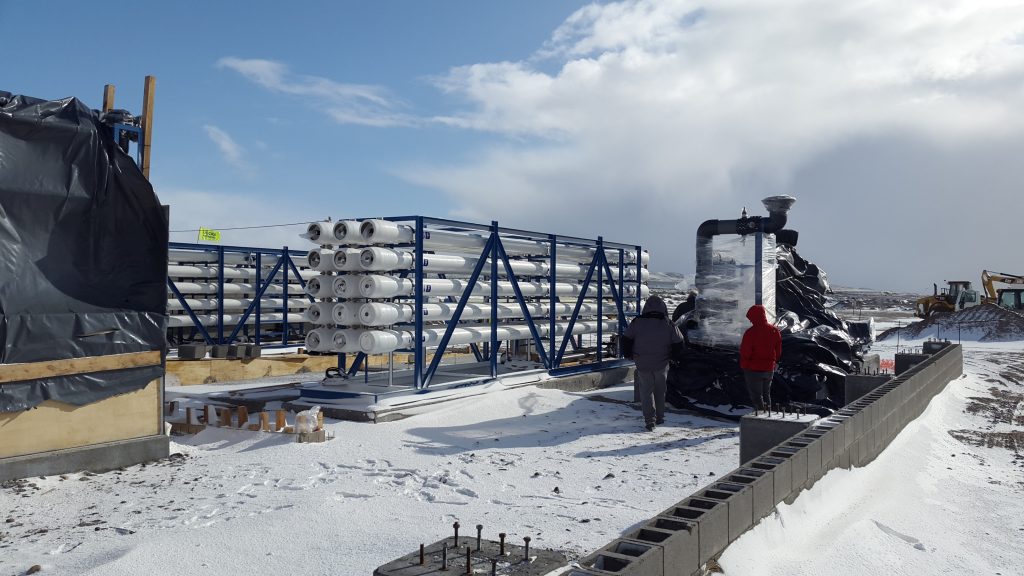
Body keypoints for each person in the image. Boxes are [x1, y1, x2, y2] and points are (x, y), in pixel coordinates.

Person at [622, 295, 685, 431]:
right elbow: (679, 341)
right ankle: (660, 417)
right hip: (662, 362)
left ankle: (649, 419)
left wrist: (628, 354)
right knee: (660, 390)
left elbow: (626, 338)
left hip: (642, 361)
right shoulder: (668, 323)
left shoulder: (637, 322)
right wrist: (673, 357)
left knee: (646, 391)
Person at [739, 304, 782, 412]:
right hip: (769, 369)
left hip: (753, 369)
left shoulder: (750, 333)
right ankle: (768, 415)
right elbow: (778, 350)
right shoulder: (774, 330)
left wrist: (744, 364)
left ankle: (761, 417)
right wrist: (774, 361)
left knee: (757, 396)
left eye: (751, 318)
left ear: (754, 317)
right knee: (766, 394)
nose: (750, 321)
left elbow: (746, 352)